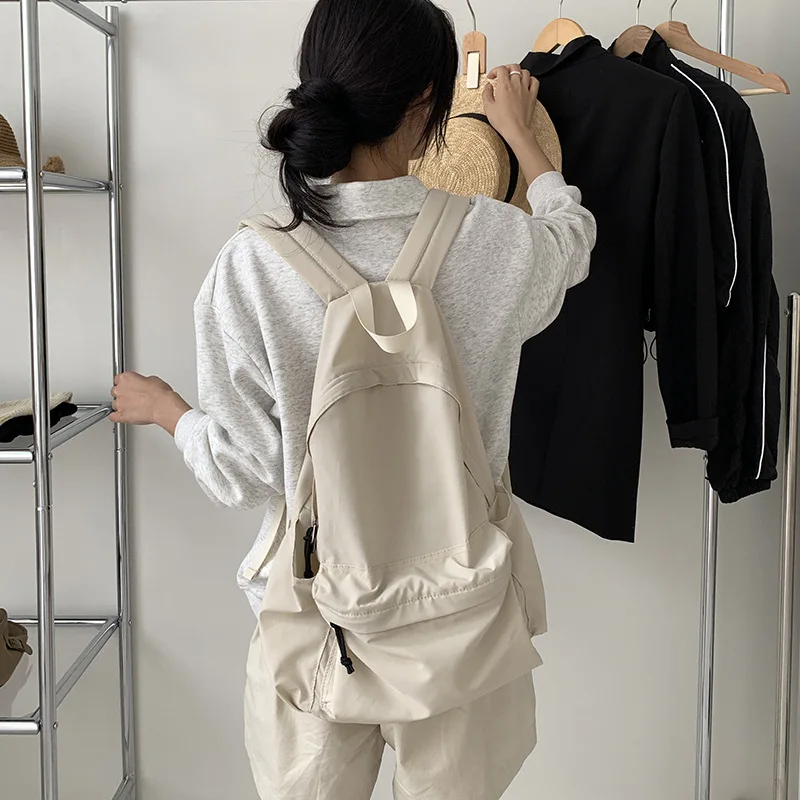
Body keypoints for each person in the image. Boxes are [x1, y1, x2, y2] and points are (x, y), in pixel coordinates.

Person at [110, 0, 595, 797]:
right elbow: (572, 239)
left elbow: (242, 474)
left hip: (316, 616)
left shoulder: (252, 266)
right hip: (463, 614)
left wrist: (168, 410)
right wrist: (521, 137)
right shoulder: (497, 241)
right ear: (428, 102)